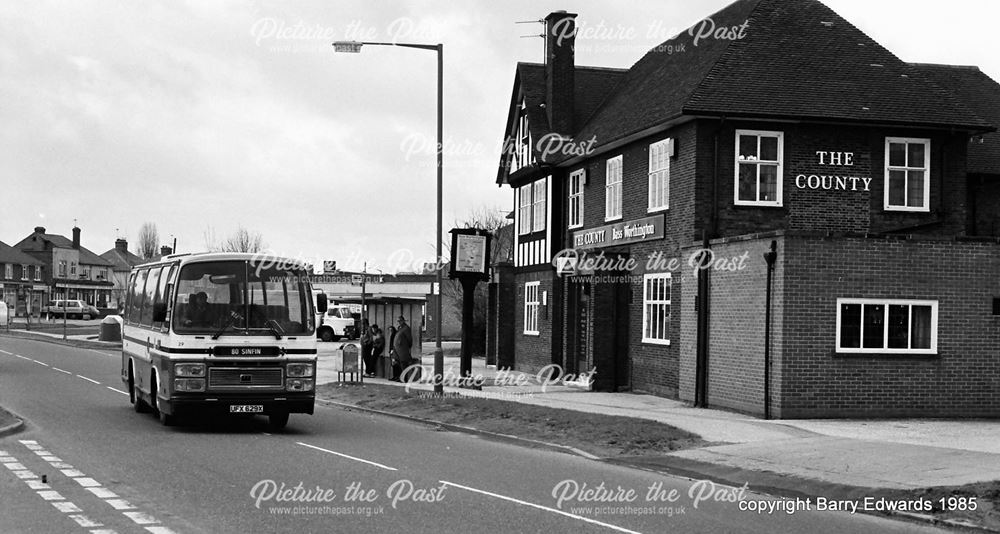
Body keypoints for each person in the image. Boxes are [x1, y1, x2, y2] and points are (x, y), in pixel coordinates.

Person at [393, 315, 415, 381]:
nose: (399, 322)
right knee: (398, 363)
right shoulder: (400, 328)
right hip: (397, 348)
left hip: (403, 348)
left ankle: (404, 378)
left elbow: (409, 339)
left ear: (403, 321)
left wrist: (408, 346)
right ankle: (400, 377)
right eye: (398, 321)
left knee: (403, 363)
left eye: (400, 321)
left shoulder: (406, 328)